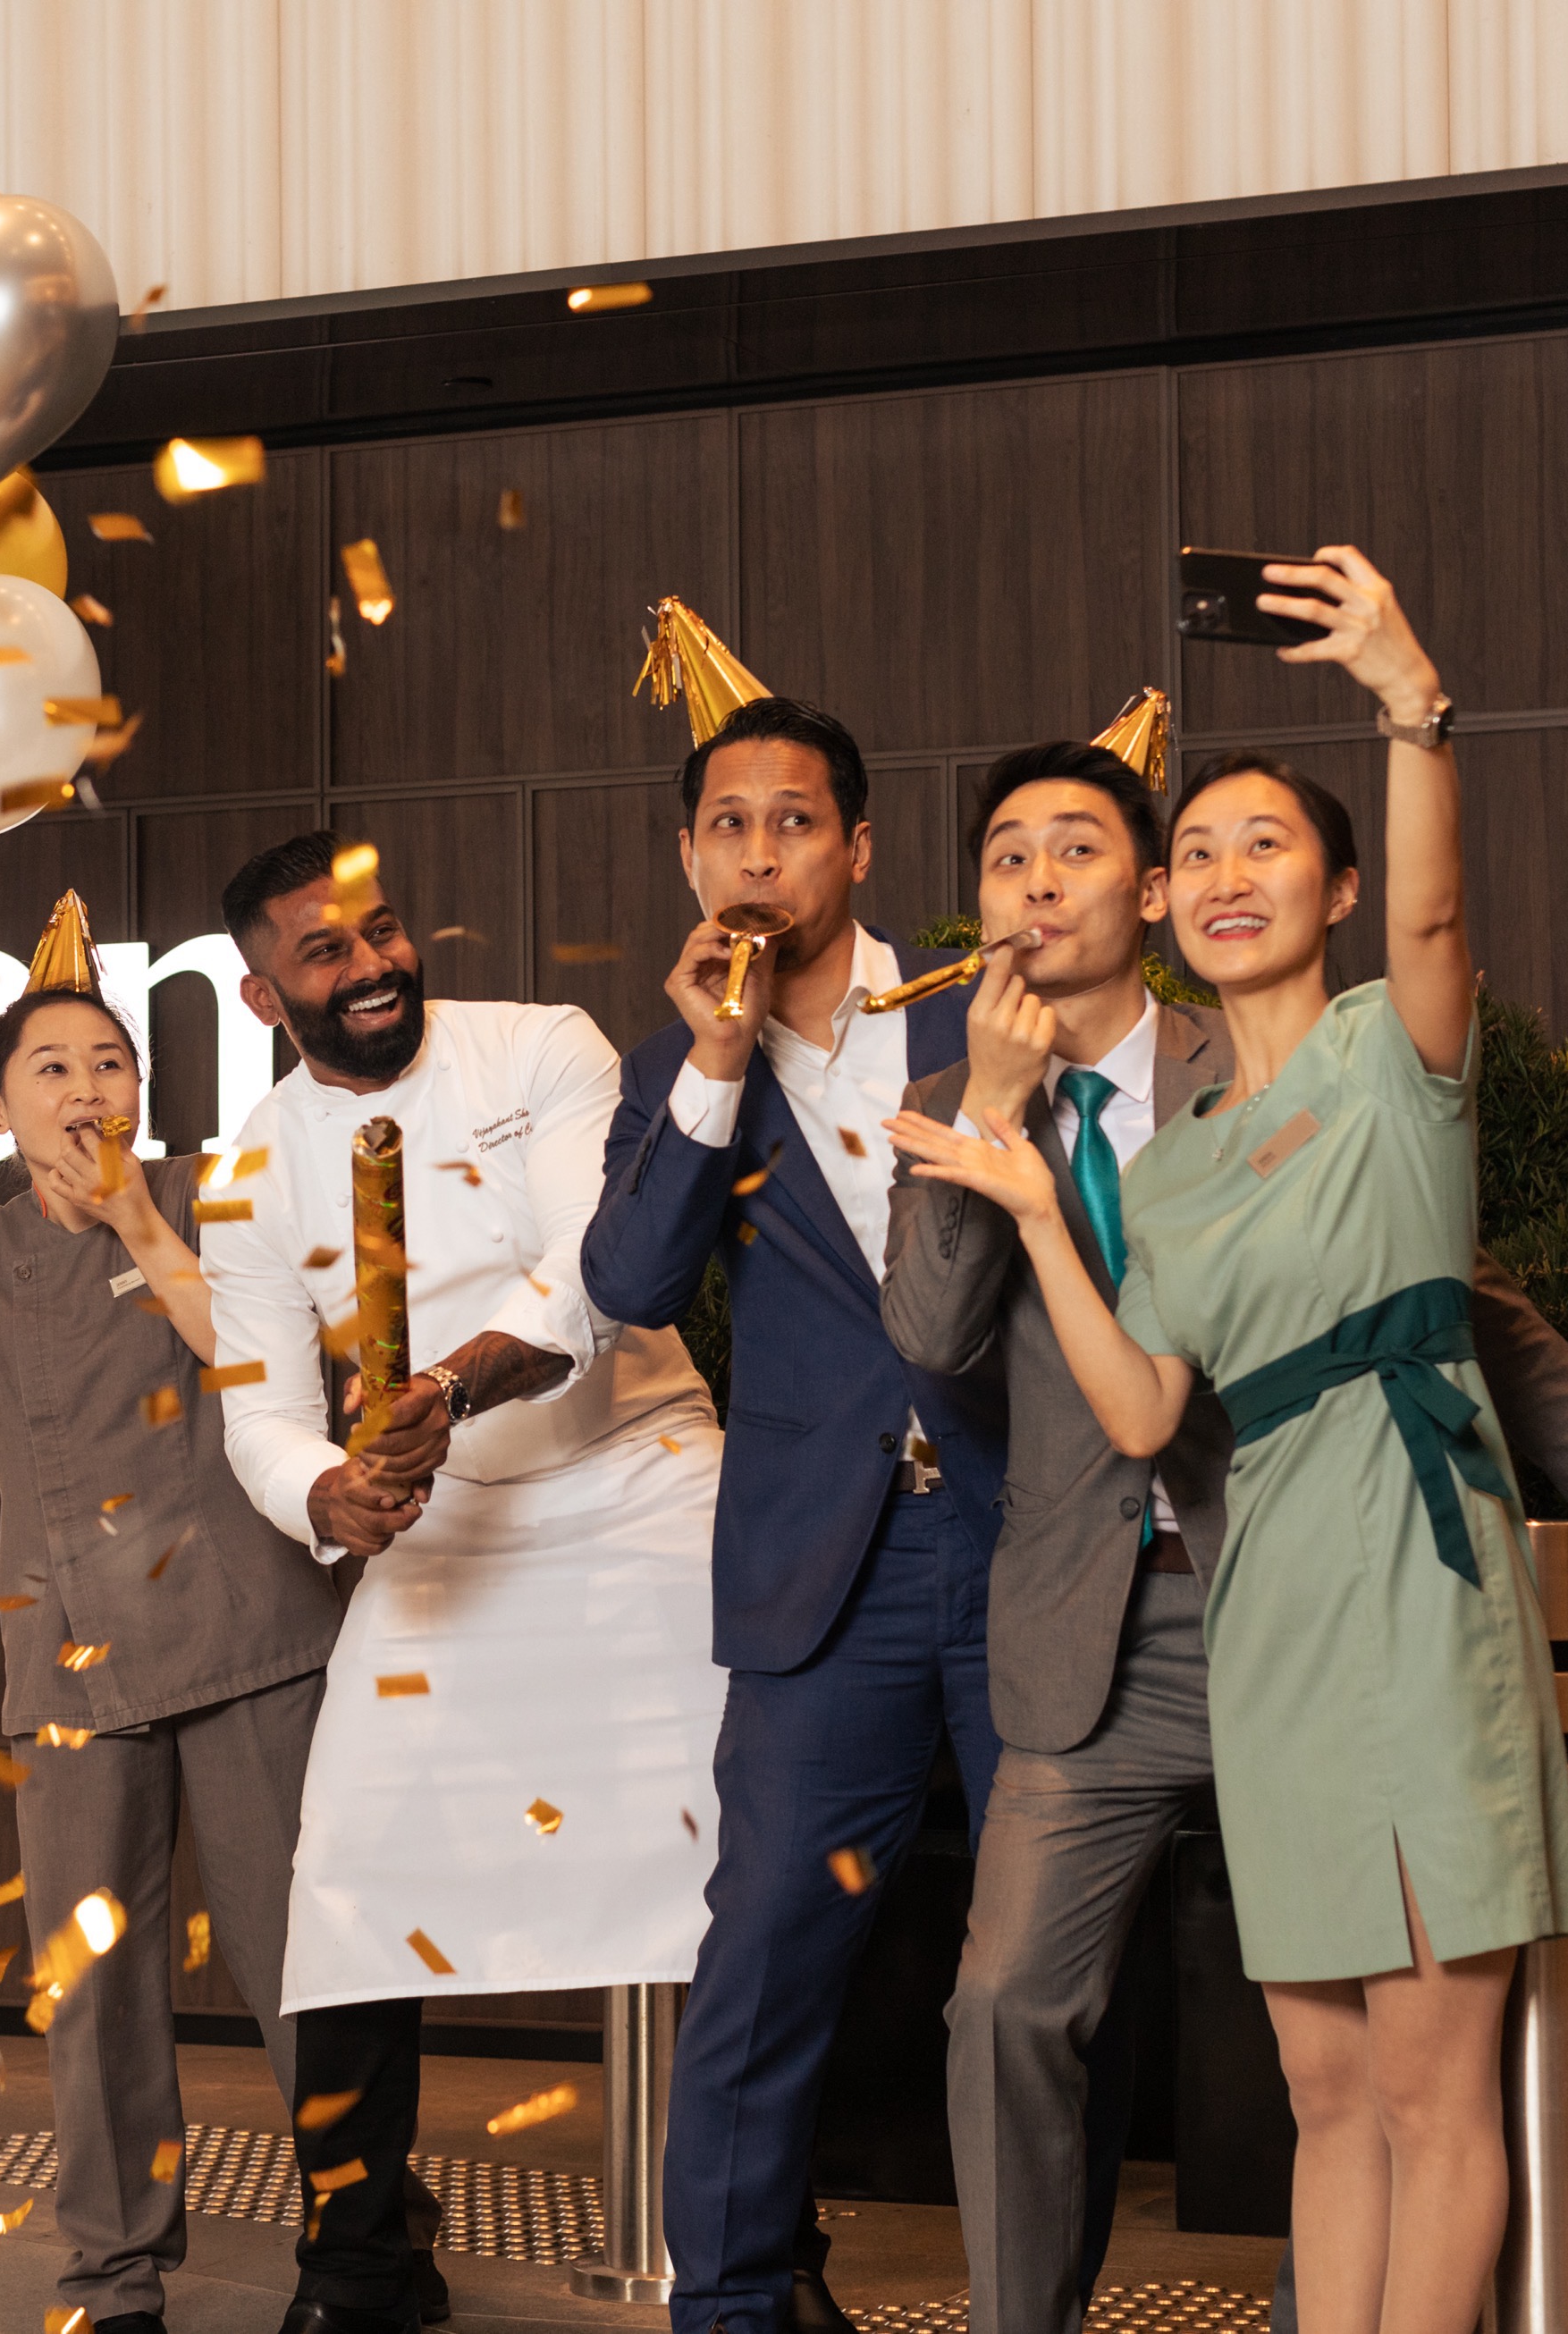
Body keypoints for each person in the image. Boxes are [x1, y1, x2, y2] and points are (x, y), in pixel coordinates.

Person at [879, 734, 1568, 2334]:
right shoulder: (962, 1105)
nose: (1041, 882)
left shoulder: (1333, 1050)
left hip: (1367, 1578)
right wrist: (1005, 1140)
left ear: (1143, 892)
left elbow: (1468, 1303)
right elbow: (938, 1340)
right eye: (1007, 857)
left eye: (1080, 849)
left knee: (1407, 2077)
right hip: (1110, 1625)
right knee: (1049, 2014)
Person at [0, 893, 344, 2334]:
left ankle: (367, 2250)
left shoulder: (213, 1195)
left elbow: (255, 1362)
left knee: (306, 1968)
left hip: (254, 1638)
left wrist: (139, 1216)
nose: (87, 1087)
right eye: (52, 1066)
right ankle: (114, 2274)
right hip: (74, 1662)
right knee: (97, 1995)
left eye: (110, 1062)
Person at [197, 830, 726, 2334]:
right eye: (326, 953)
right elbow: (258, 1410)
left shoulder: (540, 1046)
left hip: (640, 1480)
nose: (373, 967)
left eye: (381, 931)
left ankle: (766, 2248)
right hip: (440, 1525)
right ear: (263, 998)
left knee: (737, 1868)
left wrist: (445, 1385)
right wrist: (329, 1493)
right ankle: (361, 2262)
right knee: (348, 1877)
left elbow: (595, 1271)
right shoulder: (245, 1174)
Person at [578, 695, 1012, 2334]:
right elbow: (629, 1282)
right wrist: (712, 1060)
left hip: (1018, 1538)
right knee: (762, 1956)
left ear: (859, 847)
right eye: (729, 826)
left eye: (795, 821)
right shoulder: (672, 1067)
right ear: (691, 858)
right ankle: (734, 2308)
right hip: (824, 1573)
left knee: (1046, 1973)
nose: (761, 854)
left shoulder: (984, 1012)